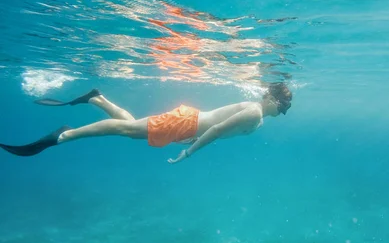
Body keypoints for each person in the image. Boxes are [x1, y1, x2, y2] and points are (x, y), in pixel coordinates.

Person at [0, 83, 292, 164]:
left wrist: (191, 141)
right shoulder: (254, 112)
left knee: (132, 130)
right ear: (271, 97)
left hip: (188, 126)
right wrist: (188, 154)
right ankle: (65, 135)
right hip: (186, 123)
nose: (283, 110)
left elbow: (220, 128)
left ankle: (96, 99)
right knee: (128, 130)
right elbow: (215, 130)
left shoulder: (258, 120)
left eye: (285, 107)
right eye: (283, 104)